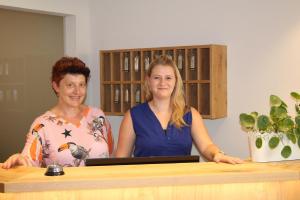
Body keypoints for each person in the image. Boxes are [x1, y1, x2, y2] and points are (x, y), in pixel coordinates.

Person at [115, 55, 242, 164]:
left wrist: (217, 154)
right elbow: (121, 159)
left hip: (182, 185)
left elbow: (207, 146)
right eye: (157, 77)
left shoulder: (190, 114)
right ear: (148, 81)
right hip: (145, 188)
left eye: (168, 78)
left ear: (176, 81)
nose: (162, 83)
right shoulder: (133, 116)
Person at [1, 57, 114, 168]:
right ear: (56, 86)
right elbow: (29, 160)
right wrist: (20, 159)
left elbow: (111, 153)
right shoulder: (42, 125)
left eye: (82, 85)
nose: (77, 91)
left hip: (100, 186)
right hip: (64, 186)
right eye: (70, 85)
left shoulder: (98, 116)